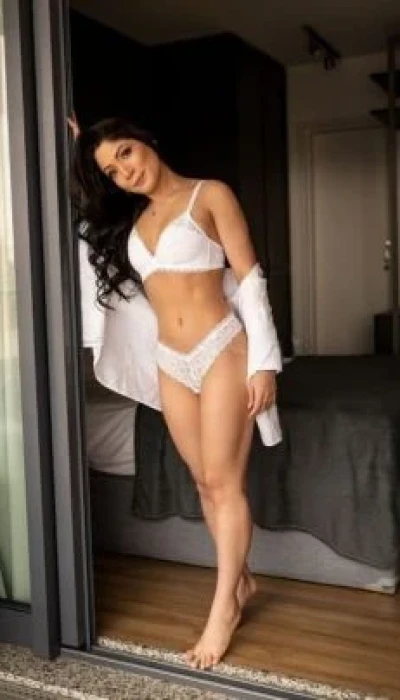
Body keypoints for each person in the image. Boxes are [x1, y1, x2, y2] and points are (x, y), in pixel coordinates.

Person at [70, 115, 282, 670]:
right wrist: (78, 148)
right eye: (111, 171)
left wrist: (264, 364)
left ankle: (223, 610)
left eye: (126, 153)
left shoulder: (209, 195)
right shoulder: (133, 219)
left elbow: (250, 280)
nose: (124, 172)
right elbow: (86, 226)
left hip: (221, 350)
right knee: (204, 481)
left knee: (225, 482)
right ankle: (241, 581)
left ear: (147, 141)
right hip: (171, 361)